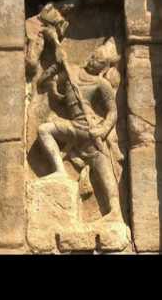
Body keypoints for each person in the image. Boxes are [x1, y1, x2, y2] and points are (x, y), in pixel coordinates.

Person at [37, 33, 122, 222]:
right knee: (44, 130)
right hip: (73, 126)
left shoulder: (102, 84)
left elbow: (112, 112)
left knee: (103, 168)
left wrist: (102, 130)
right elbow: (45, 83)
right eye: (93, 57)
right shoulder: (72, 70)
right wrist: (55, 70)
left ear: (105, 67)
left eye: (98, 62)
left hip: (90, 129)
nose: (92, 62)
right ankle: (59, 170)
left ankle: (115, 211)